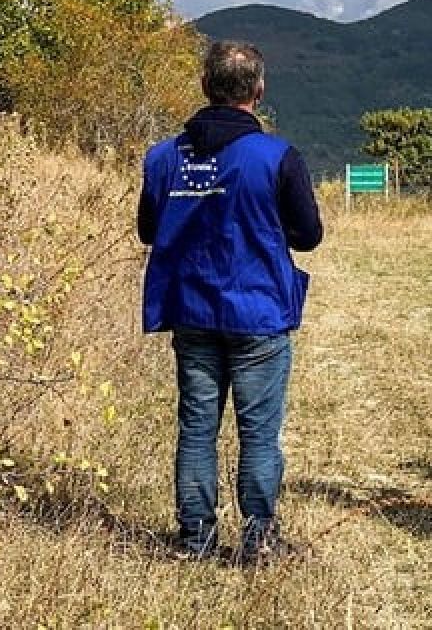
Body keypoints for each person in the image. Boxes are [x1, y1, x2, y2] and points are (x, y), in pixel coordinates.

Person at [138, 40, 323, 563]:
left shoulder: (163, 158)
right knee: (259, 434)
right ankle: (259, 541)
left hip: (191, 312)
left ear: (205, 87)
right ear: (258, 91)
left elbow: (148, 230)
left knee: (197, 428)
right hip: (258, 313)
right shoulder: (277, 157)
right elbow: (308, 236)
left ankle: (195, 542)